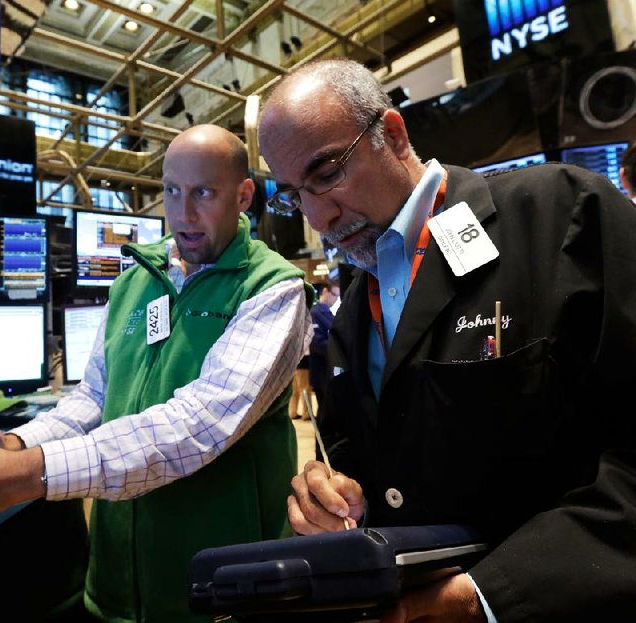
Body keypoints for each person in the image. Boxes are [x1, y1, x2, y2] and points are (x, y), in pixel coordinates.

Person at [258, 58, 636, 622]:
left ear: (393, 133)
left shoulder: (560, 214)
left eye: (328, 172)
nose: (320, 214)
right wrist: (334, 498)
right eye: (294, 195)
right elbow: (372, 474)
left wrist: (486, 598)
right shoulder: (355, 312)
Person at [0, 123, 314, 622]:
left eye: (203, 194)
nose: (182, 214)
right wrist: (16, 445)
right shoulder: (132, 282)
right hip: (115, 579)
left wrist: (30, 473)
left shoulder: (271, 289)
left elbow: (197, 425)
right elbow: (93, 400)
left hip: (221, 586)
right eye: (171, 191)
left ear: (243, 196)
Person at [308, 279, 339, 414]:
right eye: (334, 294)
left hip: (328, 370)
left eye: (338, 296)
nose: (335, 299)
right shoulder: (315, 313)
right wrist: (338, 348)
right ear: (325, 291)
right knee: (324, 412)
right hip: (321, 371)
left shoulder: (329, 314)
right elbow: (316, 343)